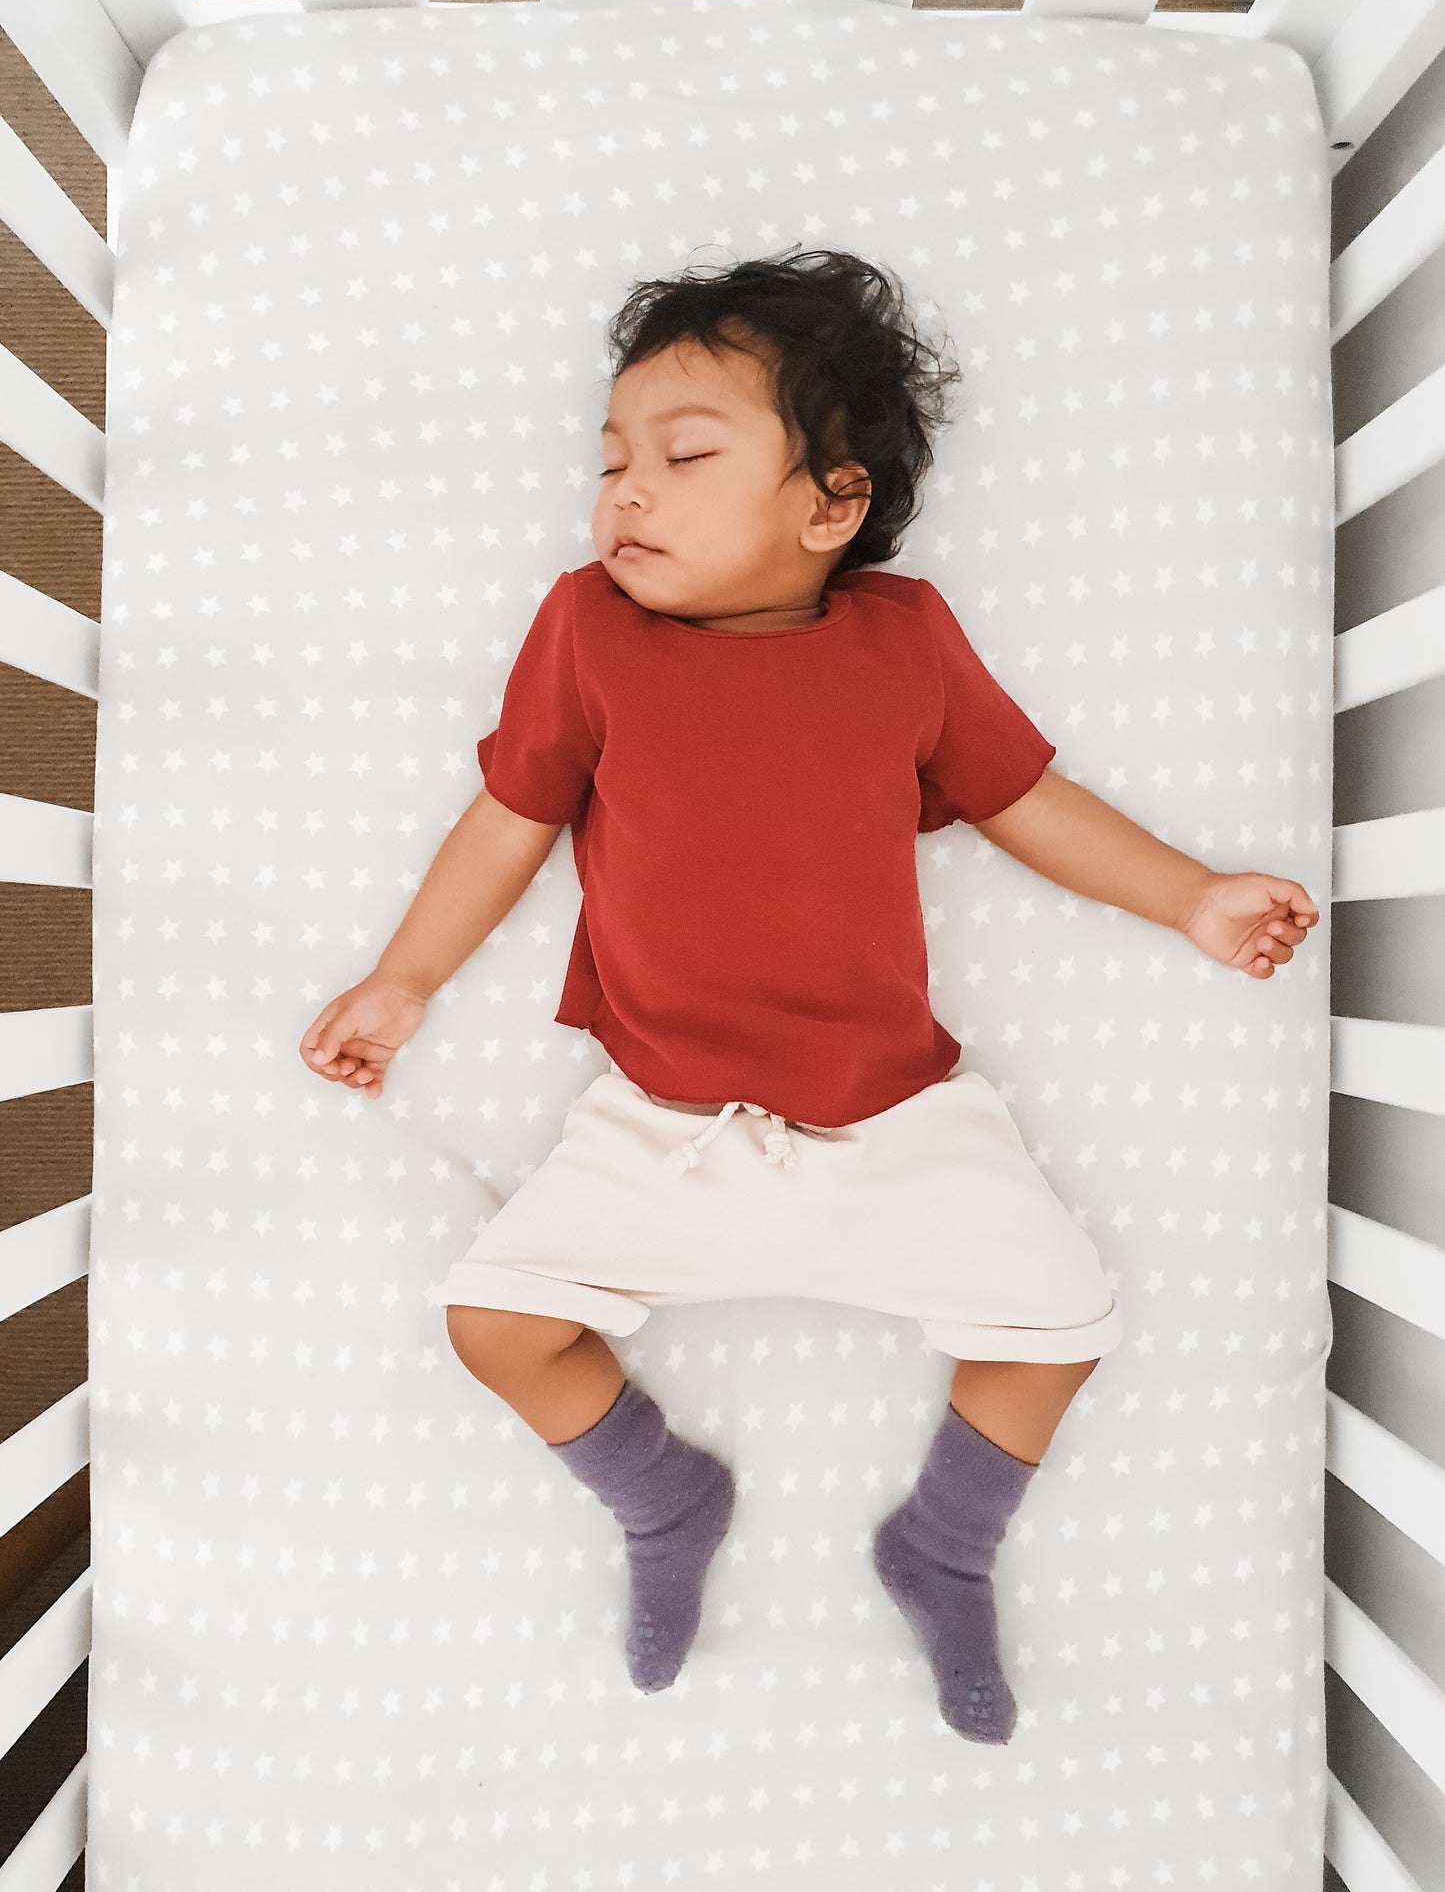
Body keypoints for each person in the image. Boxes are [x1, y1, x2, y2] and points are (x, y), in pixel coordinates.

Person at [298, 248, 1319, 1744]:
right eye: (612, 461)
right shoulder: (588, 628)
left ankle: (942, 1543)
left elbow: (1025, 798)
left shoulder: (901, 639)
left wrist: (1188, 893)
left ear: (827, 504)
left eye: (684, 455)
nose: (625, 492)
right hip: (664, 1124)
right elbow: (509, 818)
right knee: (492, 1321)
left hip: (894, 1117)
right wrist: (404, 979)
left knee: (1060, 1323)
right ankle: (665, 1498)